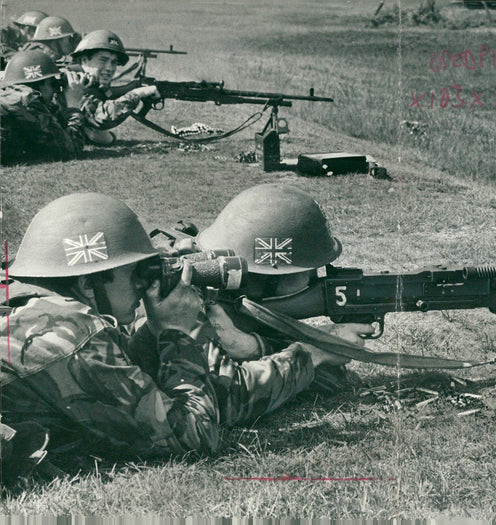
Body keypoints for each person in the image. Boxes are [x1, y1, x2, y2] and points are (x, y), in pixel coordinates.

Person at [0, 192, 359, 476]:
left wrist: (310, 355)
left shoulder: (46, 311)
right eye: (136, 272)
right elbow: (194, 434)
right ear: (87, 284)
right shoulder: (70, 337)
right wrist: (178, 329)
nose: (147, 284)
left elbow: (209, 395)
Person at [191, 184, 374, 402]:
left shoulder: (206, 289)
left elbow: (328, 376)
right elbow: (230, 395)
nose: (313, 278)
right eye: (307, 273)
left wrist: (254, 346)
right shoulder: (185, 306)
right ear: (259, 278)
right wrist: (317, 349)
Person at [69, 30, 160, 145]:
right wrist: (137, 93)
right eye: (103, 60)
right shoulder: (72, 81)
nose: (109, 68)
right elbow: (102, 118)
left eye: (113, 62)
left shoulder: (92, 83)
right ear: (84, 60)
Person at [0, 50, 87, 165]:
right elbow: (69, 150)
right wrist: (73, 105)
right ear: (38, 85)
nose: (55, 91)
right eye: (52, 84)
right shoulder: (26, 99)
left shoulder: (9, 95)